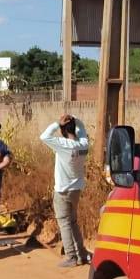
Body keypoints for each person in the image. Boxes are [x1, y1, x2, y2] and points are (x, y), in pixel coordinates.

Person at [41, 114, 90, 267]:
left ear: (63, 130)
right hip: (76, 189)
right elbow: (82, 128)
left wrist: (57, 123)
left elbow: (44, 136)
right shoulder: (83, 144)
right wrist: (74, 119)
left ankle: (71, 256)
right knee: (73, 221)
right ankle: (81, 253)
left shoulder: (62, 144)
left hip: (62, 191)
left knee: (64, 223)